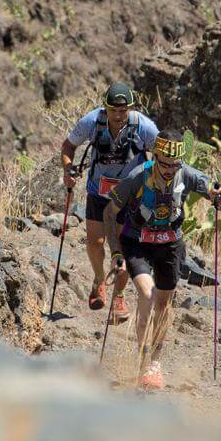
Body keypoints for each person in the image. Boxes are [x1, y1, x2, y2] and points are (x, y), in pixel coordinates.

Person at [104, 131, 221, 391]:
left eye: (175, 164)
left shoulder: (185, 173)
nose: (170, 169)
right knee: (148, 296)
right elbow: (109, 212)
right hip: (137, 242)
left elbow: (211, 190)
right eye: (165, 163)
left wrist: (219, 197)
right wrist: (115, 252)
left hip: (170, 243)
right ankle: (144, 360)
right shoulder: (137, 177)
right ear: (155, 156)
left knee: (163, 304)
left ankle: (155, 363)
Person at [60, 83, 158, 322]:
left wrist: (150, 180)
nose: (118, 115)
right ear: (105, 107)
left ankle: (119, 296)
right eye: (113, 109)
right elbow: (68, 145)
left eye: (123, 110)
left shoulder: (144, 127)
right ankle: (98, 279)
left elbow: (161, 155)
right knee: (96, 242)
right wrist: (68, 170)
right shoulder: (91, 122)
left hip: (129, 196)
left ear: (131, 108)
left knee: (122, 249)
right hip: (98, 192)